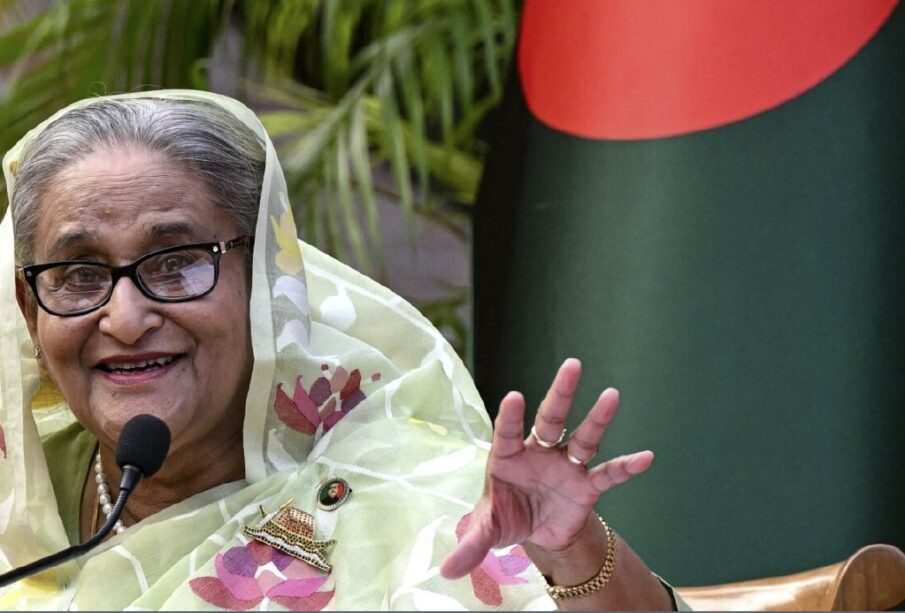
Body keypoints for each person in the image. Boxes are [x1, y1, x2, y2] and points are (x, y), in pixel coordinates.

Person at [0, 91, 684, 610]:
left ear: (264, 286)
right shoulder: (20, 491)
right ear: (30, 311)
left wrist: (571, 553)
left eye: (176, 262)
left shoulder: (424, 499)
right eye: (79, 274)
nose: (124, 318)